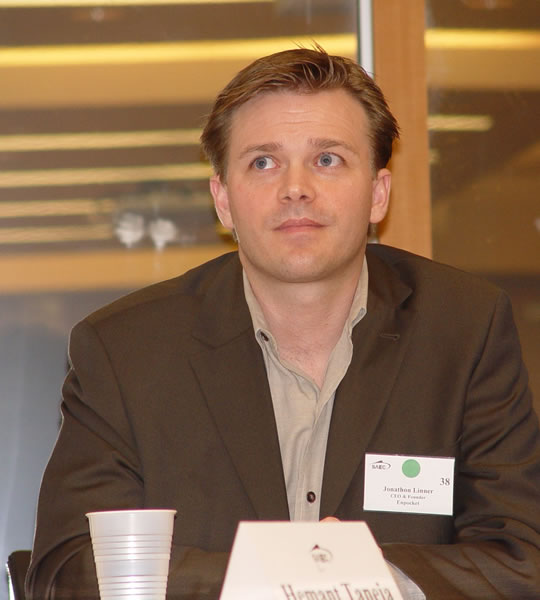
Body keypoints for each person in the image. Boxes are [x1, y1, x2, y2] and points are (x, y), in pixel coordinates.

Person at [26, 47, 540, 600]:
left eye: (327, 159)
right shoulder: (125, 350)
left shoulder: (464, 329)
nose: (296, 187)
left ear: (378, 194)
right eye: (263, 163)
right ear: (223, 200)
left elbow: (522, 559)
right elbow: (68, 570)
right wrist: (283, 576)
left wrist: (367, 575)